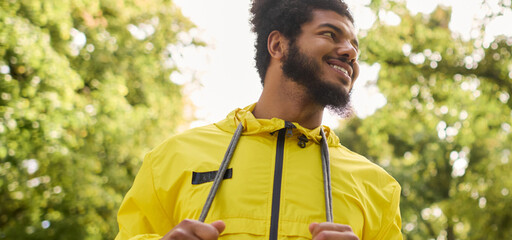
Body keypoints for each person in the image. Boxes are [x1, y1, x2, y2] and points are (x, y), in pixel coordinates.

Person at [114, 0, 403, 239]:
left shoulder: (377, 187)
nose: (351, 52)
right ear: (278, 45)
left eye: (355, 46)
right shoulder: (171, 159)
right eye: (330, 34)